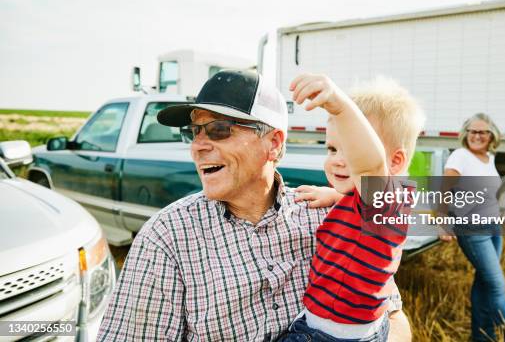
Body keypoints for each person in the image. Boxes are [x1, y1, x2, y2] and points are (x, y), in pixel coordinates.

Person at [96, 70, 411, 341]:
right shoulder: (168, 237)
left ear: (273, 143)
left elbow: (394, 318)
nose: (198, 146)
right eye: (194, 132)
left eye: (220, 130)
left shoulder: (323, 214)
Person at [278, 75, 425, 341]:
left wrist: (340, 106)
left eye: (351, 152)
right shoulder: (371, 202)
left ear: (394, 161)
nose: (337, 161)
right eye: (333, 149)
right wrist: (334, 194)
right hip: (334, 325)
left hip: (333, 335)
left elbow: (369, 167)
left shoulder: (387, 198)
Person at [443, 113, 505, 342]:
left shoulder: (489, 157)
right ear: (466, 134)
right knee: (496, 285)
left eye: (482, 131)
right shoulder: (460, 156)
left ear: (491, 135)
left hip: (493, 226)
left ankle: (482, 337)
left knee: (484, 282)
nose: (477, 135)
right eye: (472, 131)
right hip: (472, 229)